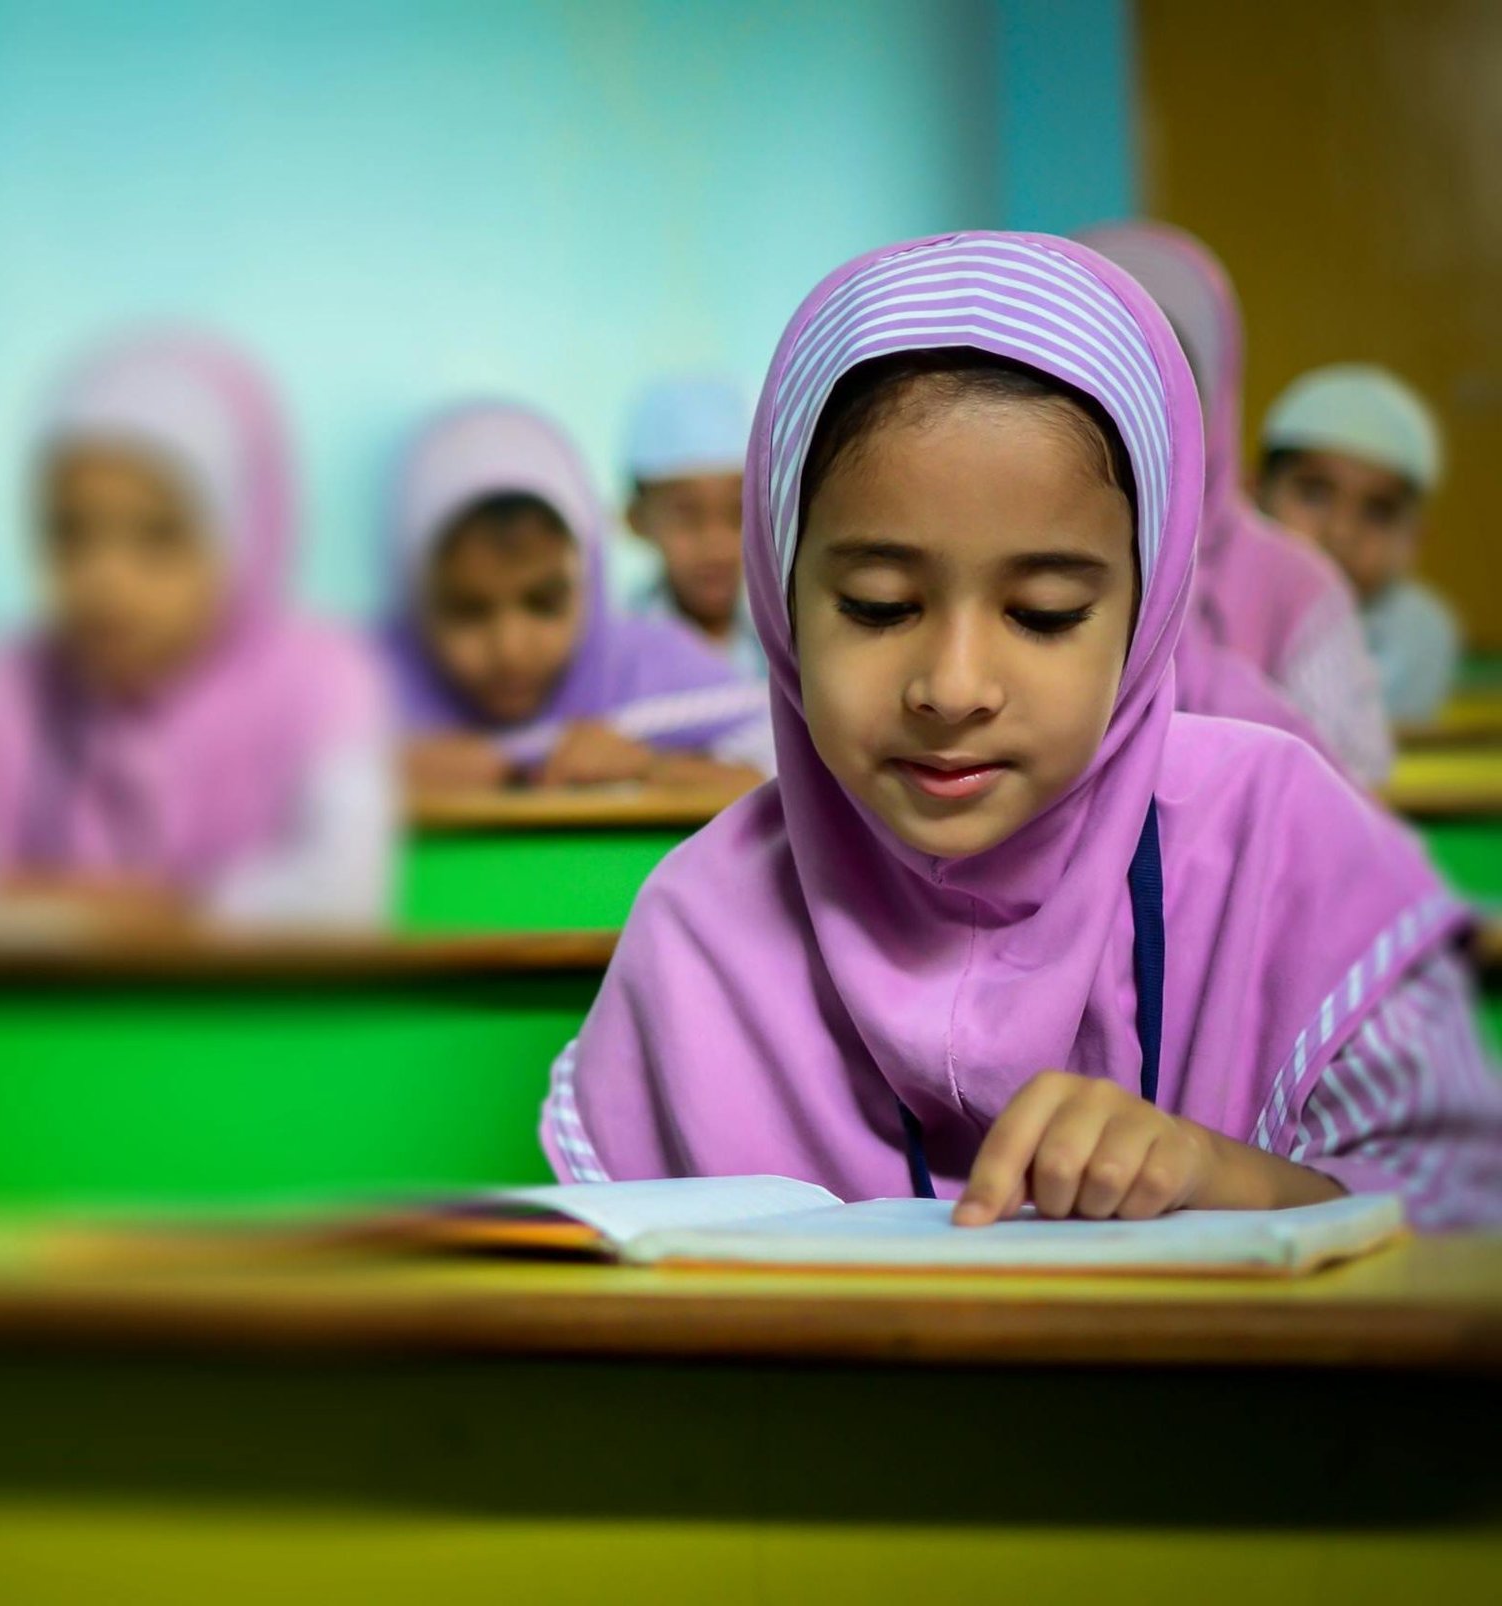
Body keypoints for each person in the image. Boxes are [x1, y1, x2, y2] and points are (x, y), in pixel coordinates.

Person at [543, 232, 1500, 1229]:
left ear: (1149, 603)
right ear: (781, 598)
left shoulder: (1283, 845)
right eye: (876, 605)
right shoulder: (702, 931)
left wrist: (1234, 1182)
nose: (953, 689)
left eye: (1042, 613)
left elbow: (1468, 1219)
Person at [0, 331, 394, 929]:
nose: (104, 579)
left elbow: (344, 898)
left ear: (241, 536)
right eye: (70, 532)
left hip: (247, 1023)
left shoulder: (322, 679)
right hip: (34, 1025)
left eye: (158, 536)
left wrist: (59, 910)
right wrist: (178, 914)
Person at [1080, 222, 1392, 785]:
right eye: (1094, 379)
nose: (1131, 412)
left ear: (1213, 404)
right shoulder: (999, 558)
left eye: (1167, 380)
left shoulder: (1295, 583)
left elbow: (1350, 782)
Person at [383, 401, 772, 792]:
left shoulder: (655, 668)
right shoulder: (374, 690)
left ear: (589, 582)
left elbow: (788, 774)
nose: (511, 650)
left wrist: (651, 767)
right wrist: (380, 778)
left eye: (544, 604)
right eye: (468, 612)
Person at [1258, 364, 1459, 726]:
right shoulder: (1204, 608)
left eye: (1379, 512)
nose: (1341, 532)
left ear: (1412, 540)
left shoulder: (1420, 633)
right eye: (1314, 493)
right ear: (1253, 496)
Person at [619, 376, 766, 679]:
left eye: (738, 512)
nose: (716, 546)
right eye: (686, 516)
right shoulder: (611, 650)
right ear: (636, 519)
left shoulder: (793, 633)